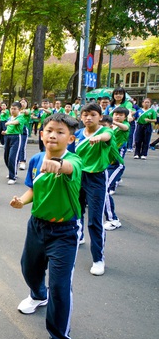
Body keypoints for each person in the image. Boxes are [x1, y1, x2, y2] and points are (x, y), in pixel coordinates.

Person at [10, 112, 82, 339]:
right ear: (42, 134)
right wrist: (22, 200)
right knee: (29, 268)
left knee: (61, 287)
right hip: (37, 225)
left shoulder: (74, 160)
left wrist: (58, 165)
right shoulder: (37, 158)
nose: (53, 135)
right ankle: (38, 295)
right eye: (49, 130)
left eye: (60, 132)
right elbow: (32, 188)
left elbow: (69, 168)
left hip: (64, 231)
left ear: (71, 138)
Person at [71, 102, 121, 276]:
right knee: (77, 211)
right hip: (78, 177)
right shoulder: (77, 134)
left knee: (95, 219)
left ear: (100, 116)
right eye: (85, 114)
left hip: (97, 178)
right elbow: (70, 155)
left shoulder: (104, 131)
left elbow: (108, 135)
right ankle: (80, 236)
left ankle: (98, 259)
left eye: (92, 114)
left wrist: (98, 138)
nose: (88, 118)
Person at [3, 102, 28, 185]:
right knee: (6, 157)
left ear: (19, 110)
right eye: (11, 108)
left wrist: (9, 123)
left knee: (12, 157)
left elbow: (16, 122)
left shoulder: (21, 117)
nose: (12, 110)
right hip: (8, 137)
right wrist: (5, 132)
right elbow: (9, 128)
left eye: (15, 109)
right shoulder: (10, 118)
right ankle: (12, 171)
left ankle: (12, 177)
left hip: (17, 137)